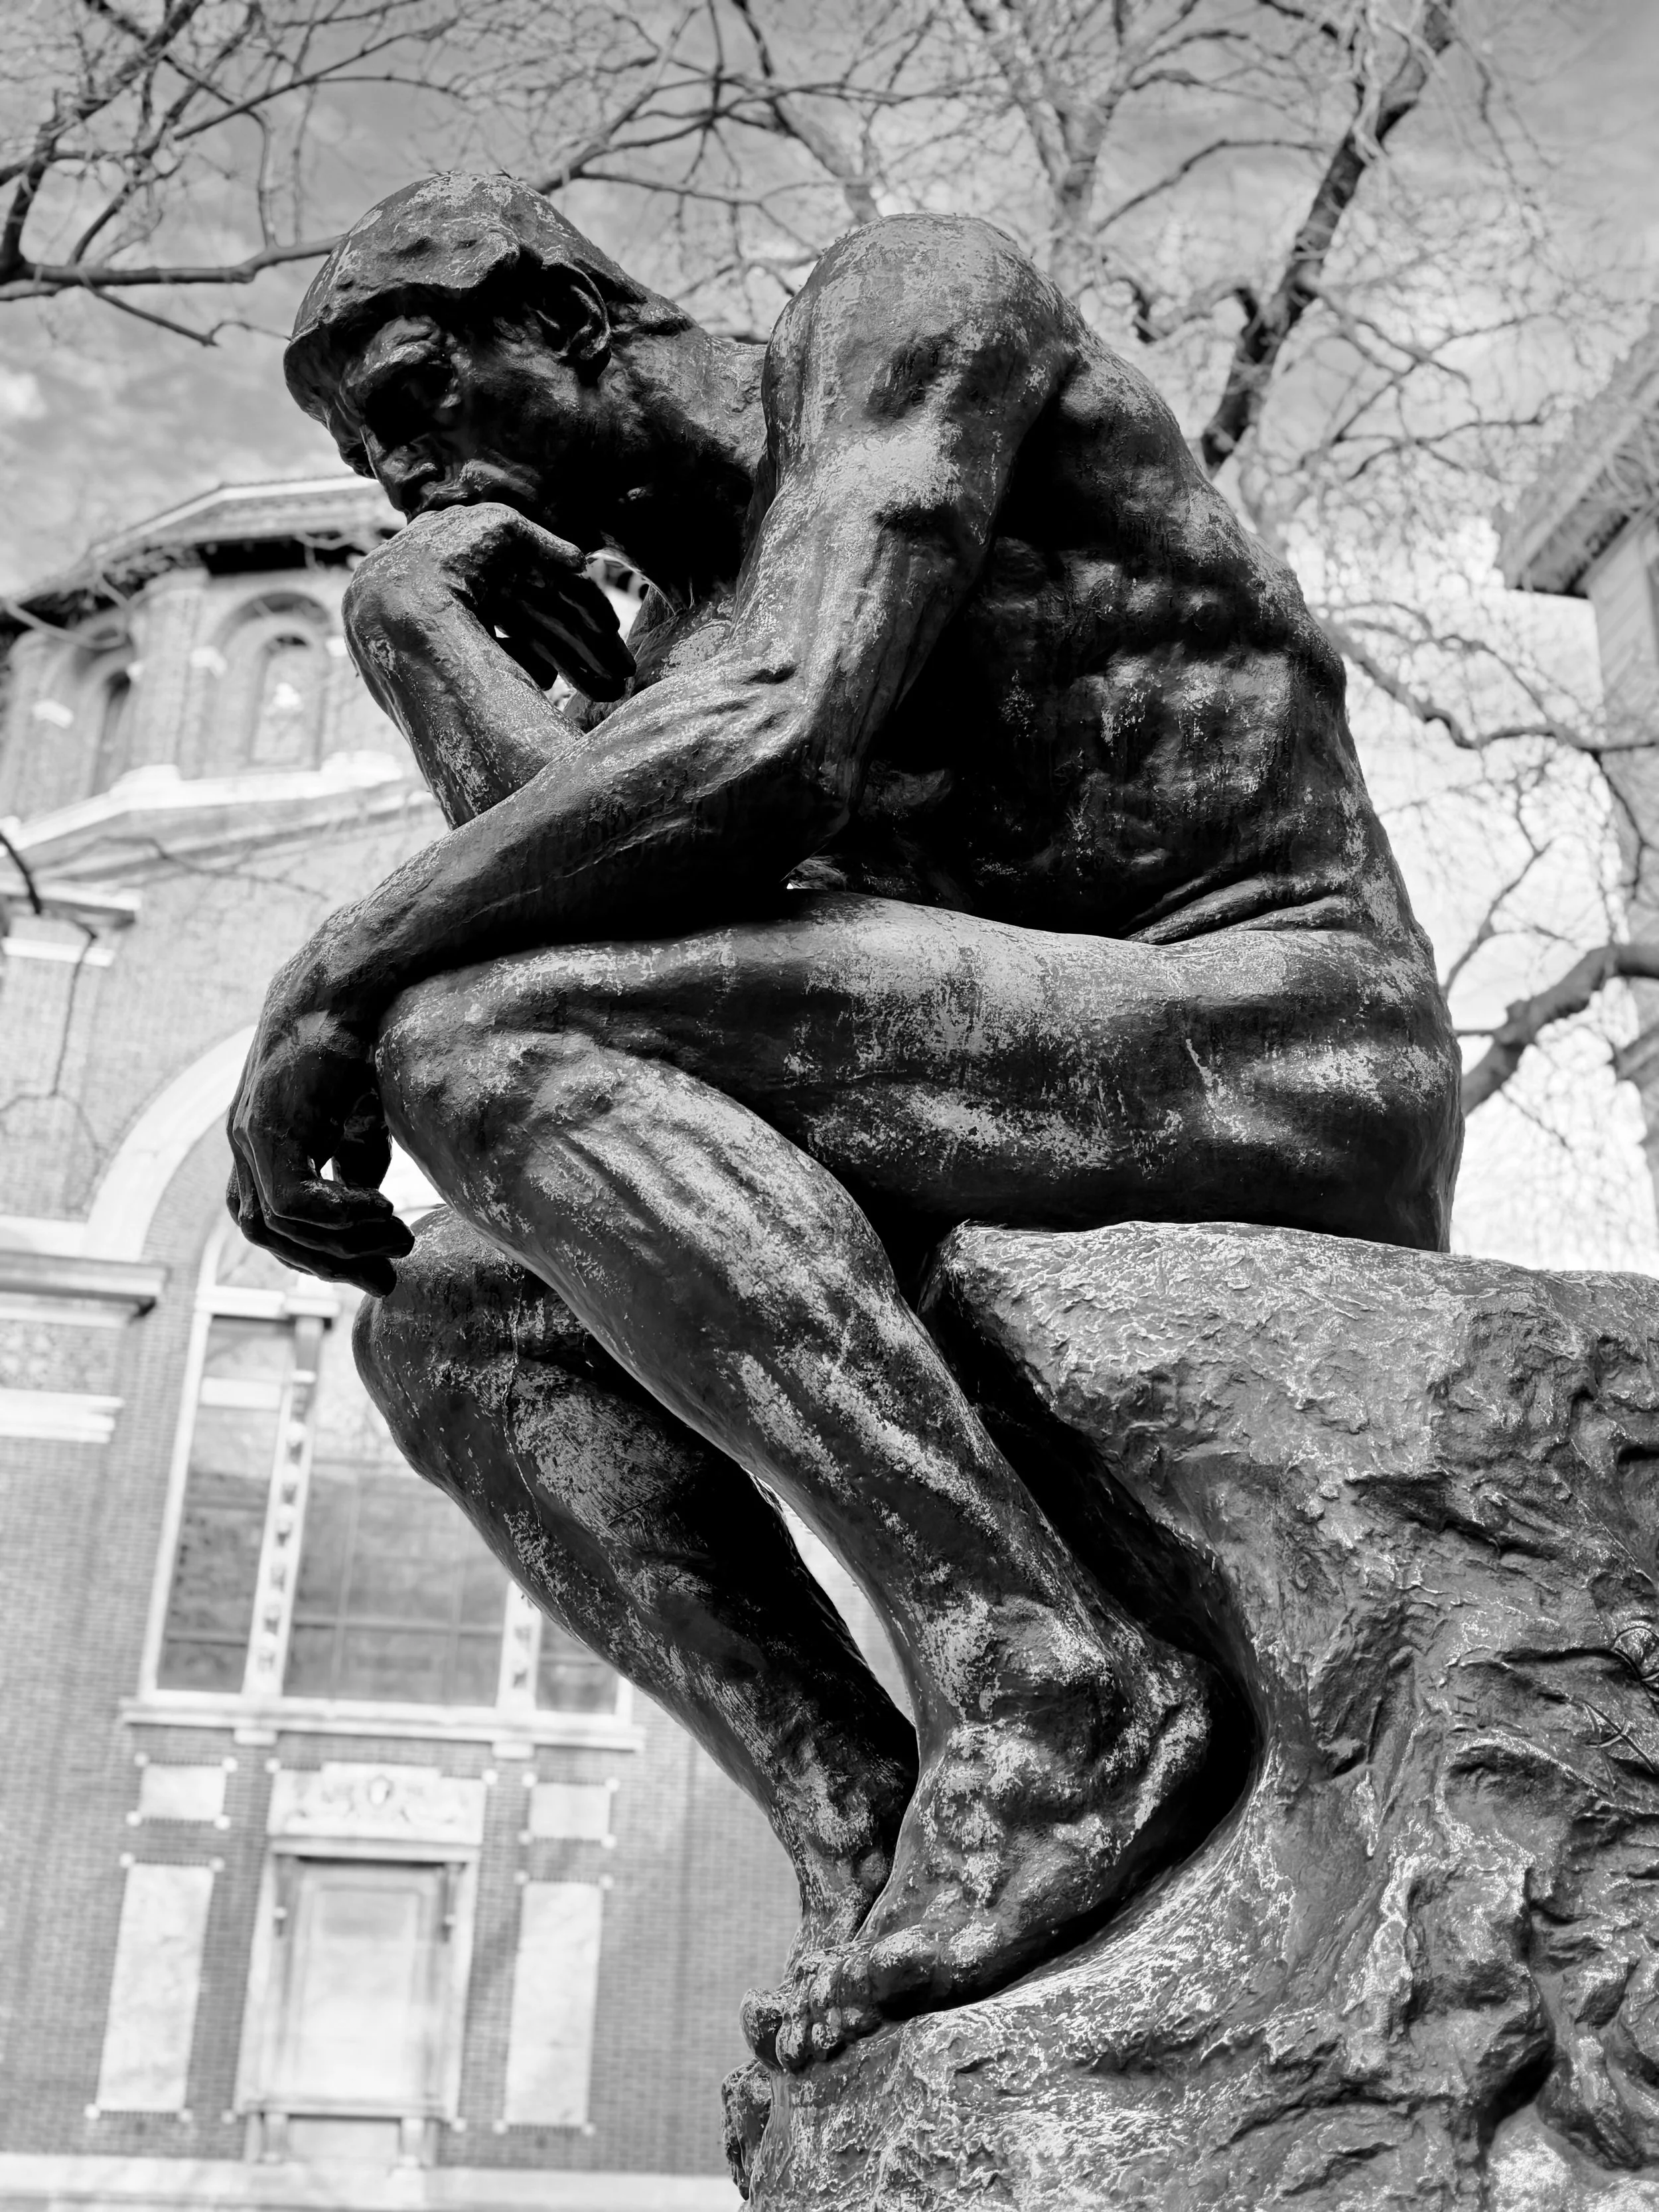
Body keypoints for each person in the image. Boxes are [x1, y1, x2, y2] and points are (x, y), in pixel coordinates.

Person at [229, 172, 1461, 2069]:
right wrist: (420, 635)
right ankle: (863, 1808)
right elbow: (596, 883)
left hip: (1273, 1040)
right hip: (994, 1086)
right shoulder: (673, 639)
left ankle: (1049, 1681)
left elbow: (775, 737)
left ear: (557, 317)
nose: (408, 473)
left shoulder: (908, 310)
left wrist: (330, 975)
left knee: (472, 1044)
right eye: (369, 451)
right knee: (453, 1318)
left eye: (418, 396)